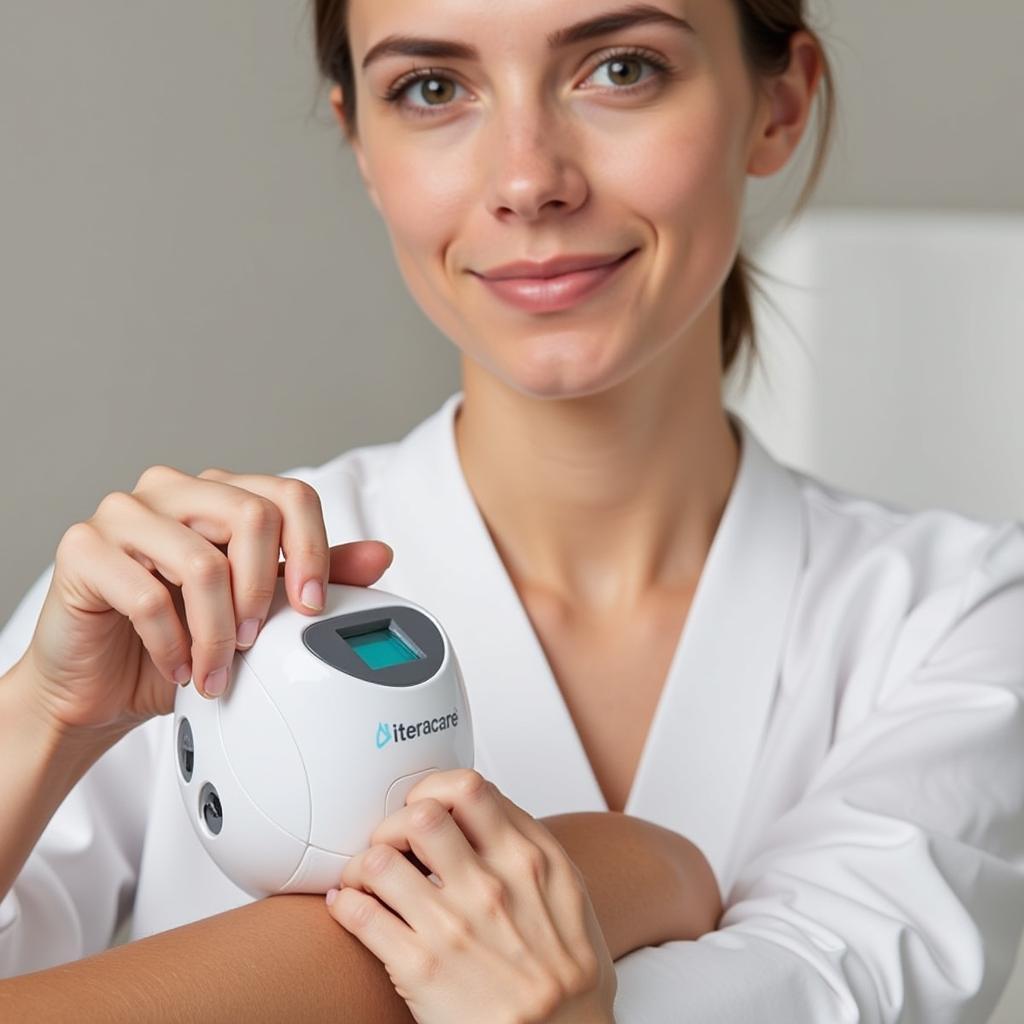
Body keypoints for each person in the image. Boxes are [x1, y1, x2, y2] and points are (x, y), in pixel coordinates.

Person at [2, 0, 1024, 1020]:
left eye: (621, 69)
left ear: (779, 103)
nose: (530, 181)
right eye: (432, 89)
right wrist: (40, 719)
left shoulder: (961, 619)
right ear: (360, 137)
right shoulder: (176, 599)